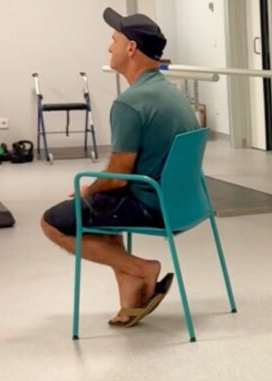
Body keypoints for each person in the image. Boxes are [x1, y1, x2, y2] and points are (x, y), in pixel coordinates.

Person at [40, 8, 200, 327]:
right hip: (186, 203)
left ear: (130, 48)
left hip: (152, 205)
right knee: (101, 209)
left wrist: (87, 189)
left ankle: (141, 269)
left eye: (114, 40)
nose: (108, 47)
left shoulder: (130, 103)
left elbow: (117, 176)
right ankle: (131, 297)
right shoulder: (172, 93)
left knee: (53, 221)